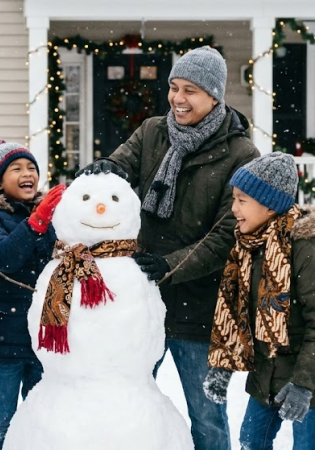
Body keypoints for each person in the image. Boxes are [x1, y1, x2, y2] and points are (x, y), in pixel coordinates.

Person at [76, 45, 259, 450]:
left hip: (199, 308)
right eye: (174, 88)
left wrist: (170, 265)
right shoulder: (153, 131)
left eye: (190, 90)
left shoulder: (240, 154)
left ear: (214, 96)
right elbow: (122, 165)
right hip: (142, 302)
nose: (178, 98)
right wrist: (108, 170)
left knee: (207, 417)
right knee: (129, 405)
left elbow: (227, 234)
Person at [203, 152, 315, 450]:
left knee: (307, 446)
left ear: (269, 205)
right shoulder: (249, 244)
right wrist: (224, 365)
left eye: (242, 200)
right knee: (252, 441)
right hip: (269, 369)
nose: (234, 208)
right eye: (234, 199)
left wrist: (303, 385)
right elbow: (237, 313)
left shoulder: (309, 250)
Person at [0, 139, 62, 450]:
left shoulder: (48, 216)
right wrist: (37, 222)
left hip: (43, 336)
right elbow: (3, 257)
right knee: (0, 422)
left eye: (31, 168)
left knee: (41, 420)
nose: (27, 173)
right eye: (16, 168)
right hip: (4, 337)